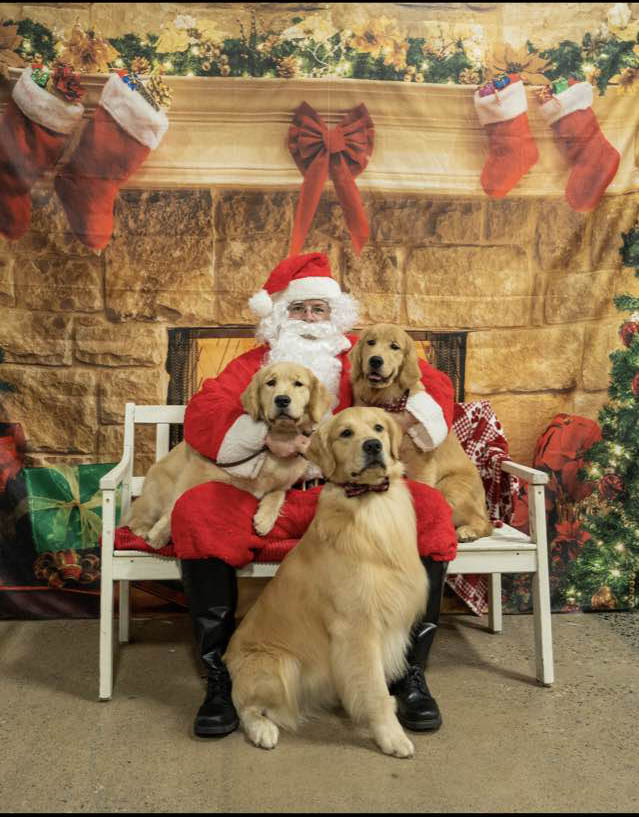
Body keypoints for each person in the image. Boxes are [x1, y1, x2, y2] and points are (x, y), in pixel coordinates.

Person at [171, 252, 458, 738]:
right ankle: (221, 678)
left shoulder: (363, 356)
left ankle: (409, 674)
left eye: (318, 310)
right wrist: (264, 436)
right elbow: (202, 413)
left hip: (349, 497)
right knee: (197, 512)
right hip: (273, 494)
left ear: (334, 316)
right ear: (280, 316)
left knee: (430, 510)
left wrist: (400, 422)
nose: (308, 320)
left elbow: (433, 384)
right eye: (299, 310)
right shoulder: (251, 366)